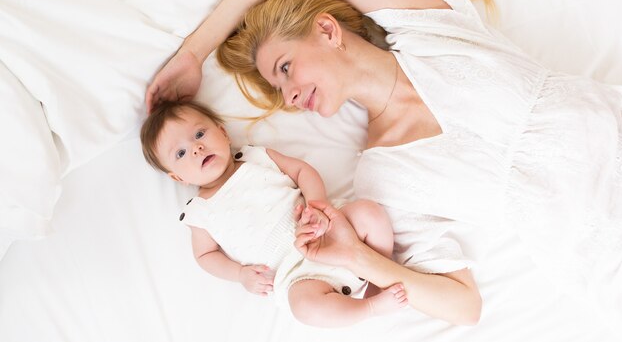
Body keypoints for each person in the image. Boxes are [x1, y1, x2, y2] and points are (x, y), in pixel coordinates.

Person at [146, 0, 622, 330]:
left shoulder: (432, 30)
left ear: (328, 31)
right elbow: (463, 306)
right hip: (605, 256)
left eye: (286, 68)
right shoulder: (384, 179)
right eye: (280, 87)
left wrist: (193, 53)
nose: (289, 96)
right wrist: (356, 256)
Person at [141, 100, 479, 327]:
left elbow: (302, 171)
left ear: (223, 133)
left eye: (200, 134)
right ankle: (369, 308)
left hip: (327, 233)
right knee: (304, 307)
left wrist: (318, 206)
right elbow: (205, 255)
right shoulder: (200, 212)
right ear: (178, 177)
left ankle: (379, 272)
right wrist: (240, 274)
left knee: (368, 213)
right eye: (182, 152)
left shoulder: (257, 157)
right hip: (293, 276)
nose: (197, 147)